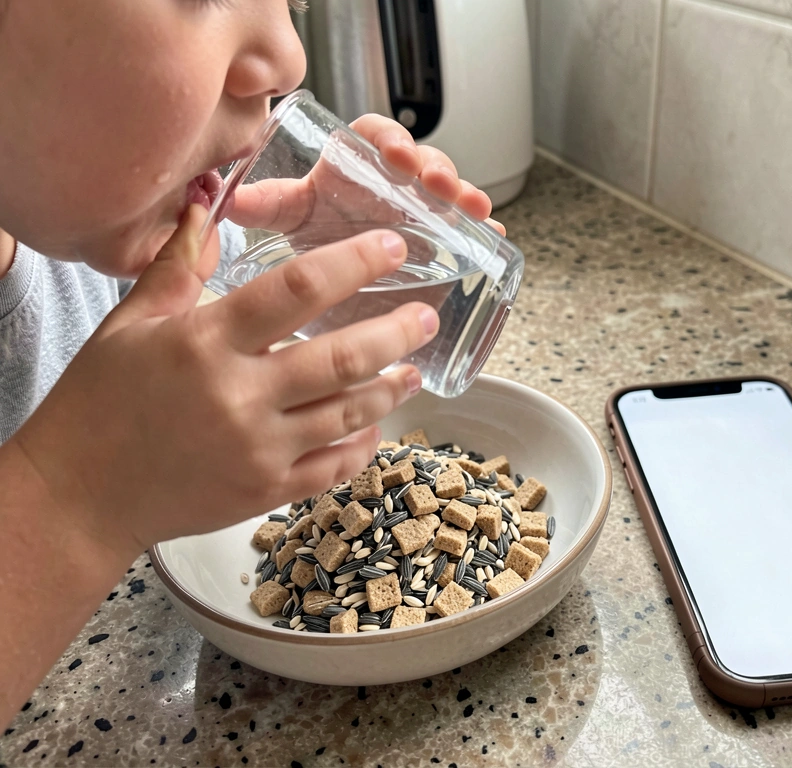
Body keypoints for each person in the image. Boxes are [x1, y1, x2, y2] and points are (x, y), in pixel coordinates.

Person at [0, 0, 503, 727]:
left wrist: (348, 274)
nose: (289, 56)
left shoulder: (103, 229)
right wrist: (79, 495)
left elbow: (212, 398)